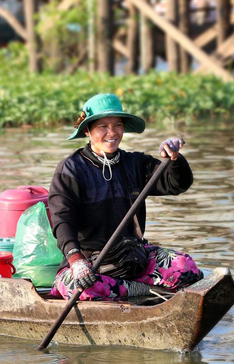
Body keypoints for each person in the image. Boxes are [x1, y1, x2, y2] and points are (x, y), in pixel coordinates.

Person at [48, 93, 204, 301]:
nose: (111, 133)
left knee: (188, 269)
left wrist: (174, 160)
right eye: (103, 126)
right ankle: (139, 290)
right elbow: (61, 219)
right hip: (91, 263)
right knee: (80, 288)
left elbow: (177, 184)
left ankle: (126, 288)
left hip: (133, 257)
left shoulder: (135, 163)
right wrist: (75, 259)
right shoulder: (71, 169)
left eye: (117, 125)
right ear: (87, 130)